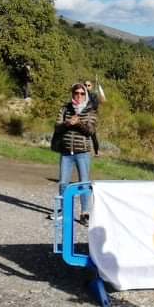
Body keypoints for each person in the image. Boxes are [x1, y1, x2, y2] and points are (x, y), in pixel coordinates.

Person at [53, 83, 99, 225]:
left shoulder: (91, 111)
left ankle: (85, 213)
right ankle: (63, 211)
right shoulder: (65, 109)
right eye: (76, 93)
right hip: (66, 152)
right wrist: (67, 123)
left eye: (82, 93)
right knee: (63, 183)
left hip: (83, 153)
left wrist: (78, 123)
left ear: (86, 94)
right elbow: (57, 127)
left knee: (84, 183)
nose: (79, 96)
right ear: (72, 94)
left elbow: (90, 131)